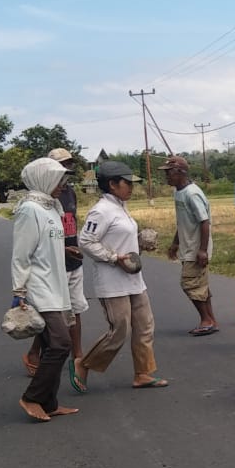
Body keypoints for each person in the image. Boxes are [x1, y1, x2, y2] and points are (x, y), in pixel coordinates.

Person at [72, 161, 170, 391]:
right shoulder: (101, 210)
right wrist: (114, 257)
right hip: (112, 280)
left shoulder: (120, 207)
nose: (131, 188)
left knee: (145, 325)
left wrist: (141, 245)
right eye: (127, 183)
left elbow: (121, 238)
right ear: (113, 184)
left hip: (134, 279)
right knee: (120, 330)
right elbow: (86, 241)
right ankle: (84, 364)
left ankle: (143, 373)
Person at [11, 157, 79, 422]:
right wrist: (19, 292)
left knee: (54, 343)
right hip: (39, 287)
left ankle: (49, 403)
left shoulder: (51, 207)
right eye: (59, 179)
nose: (63, 184)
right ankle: (31, 397)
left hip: (57, 285)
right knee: (62, 343)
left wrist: (64, 248)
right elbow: (21, 254)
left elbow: (44, 242)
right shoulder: (29, 209)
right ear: (43, 179)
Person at [23, 148, 88, 375]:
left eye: (69, 164)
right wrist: (19, 290)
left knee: (76, 310)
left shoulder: (69, 193)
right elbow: (33, 244)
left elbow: (70, 223)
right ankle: (37, 355)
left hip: (72, 260)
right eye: (61, 165)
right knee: (55, 318)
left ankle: (77, 357)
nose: (66, 170)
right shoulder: (39, 203)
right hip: (51, 266)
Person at [164, 156, 218, 336]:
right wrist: (175, 243)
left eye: (169, 172)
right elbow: (182, 221)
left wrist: (202, 250)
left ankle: (206, 320)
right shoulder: (178, 192)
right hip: (188, 246)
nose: (166, 176)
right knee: (200, 284)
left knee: (189, 283)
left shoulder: (192, 193)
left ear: (181, 172)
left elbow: (204, 222)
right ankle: (210, 319)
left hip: (196, 248)